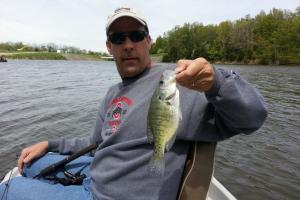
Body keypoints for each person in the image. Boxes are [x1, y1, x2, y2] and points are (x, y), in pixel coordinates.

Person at [0, 7, 267, 200]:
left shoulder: (178, 84)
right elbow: (96, 142)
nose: (128, 45)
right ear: (109, 47)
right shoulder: (113, 93)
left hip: (105, 195)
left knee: (8, 189)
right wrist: (50, 144)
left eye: (136, 36)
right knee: (30, 165)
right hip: (97, 171)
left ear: (148, 42)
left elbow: (252, 119)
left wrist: (217, 82)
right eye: (118, 38)